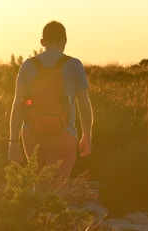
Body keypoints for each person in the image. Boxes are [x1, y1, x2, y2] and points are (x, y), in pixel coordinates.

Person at [8, 20, 93, 184]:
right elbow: (84, 105)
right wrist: (87, 136)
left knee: (37, 185)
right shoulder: (74, 65)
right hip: (64, 134)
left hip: (32, 135)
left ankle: (36, 209)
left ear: (42, 42)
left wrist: (13, 142)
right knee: (56, 192)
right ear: (64, 41)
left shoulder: (27, 66)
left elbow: (17, 106)